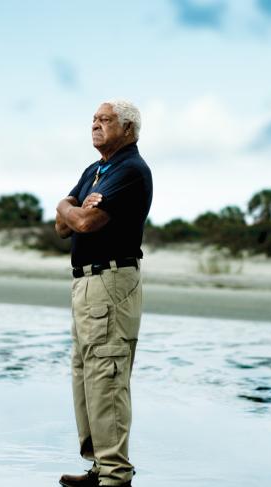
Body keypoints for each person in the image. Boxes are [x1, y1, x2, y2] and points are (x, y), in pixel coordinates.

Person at [55, 100, 153, 487]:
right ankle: (98, 467)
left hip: (111, 283)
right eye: (93, 119)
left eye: (105, 120)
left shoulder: (131, 170)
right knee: (85, 375)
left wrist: (71, 208)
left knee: (106, 373)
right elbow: (63, 227)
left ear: (128, 129)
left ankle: (115, 474)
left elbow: (83, 222)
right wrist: (68, 206)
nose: (95, 125)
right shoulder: (95, 171)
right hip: (85, 284)